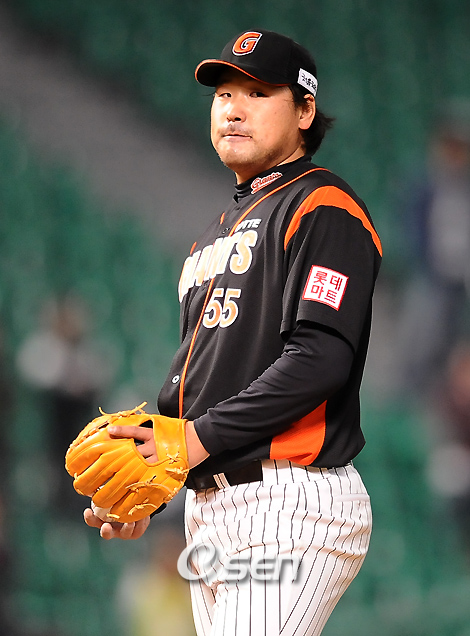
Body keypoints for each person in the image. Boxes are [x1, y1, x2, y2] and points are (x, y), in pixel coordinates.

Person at [82, 29, 382, 636]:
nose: (233, 109)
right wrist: (155, 478)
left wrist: (193, 442)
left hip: (289, 502)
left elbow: (319, 358)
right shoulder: (214, 236)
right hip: (212, 514)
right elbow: (211, 383)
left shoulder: (323, 207)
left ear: (304, 111)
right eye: (223, 94)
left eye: (257, 93)